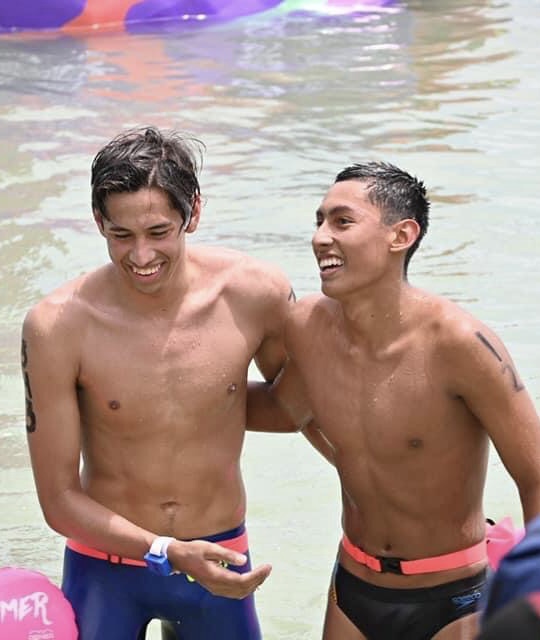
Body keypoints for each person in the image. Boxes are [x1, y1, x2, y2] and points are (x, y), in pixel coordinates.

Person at [21, 126, 295, 640]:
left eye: (158, 232)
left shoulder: (256, 293)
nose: (141, 256)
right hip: (105, 568)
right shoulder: (57, 326)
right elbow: (58, 499)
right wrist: (165, 550)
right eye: (120, 236)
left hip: (218, 556)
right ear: (98, 221)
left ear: (194, 212)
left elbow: (297, 408)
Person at [247, 162, 540, 640]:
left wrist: (531, 593)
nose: (320, 237)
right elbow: (287, 410)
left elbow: (535, 474)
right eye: (319, 221)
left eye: (342, 222)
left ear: (401, 235)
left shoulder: (460, 344)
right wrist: (176, 400)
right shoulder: (307, 326)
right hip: (353, 585)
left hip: (453, 594)